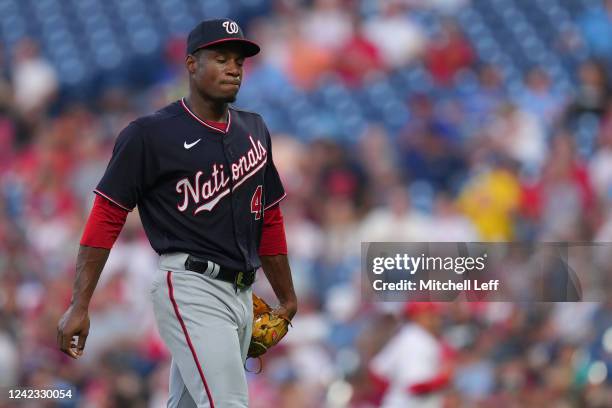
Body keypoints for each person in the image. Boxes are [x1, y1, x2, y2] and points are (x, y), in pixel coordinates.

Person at [57, 19, 297, 407]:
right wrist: (80, 304)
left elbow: (268, 214)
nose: (234, 68)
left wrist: (286, 297)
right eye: (221, 58)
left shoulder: (254, 129)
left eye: (239, 60)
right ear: (191, 64)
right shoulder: (150, 134)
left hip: (241, 292)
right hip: (191, 287)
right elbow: (106, 215)